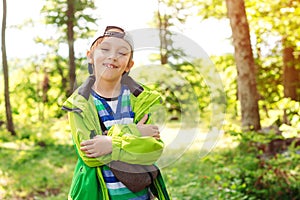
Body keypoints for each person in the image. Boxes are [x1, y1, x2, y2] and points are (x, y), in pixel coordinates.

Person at [63, 25, 170, 200]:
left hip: (141, 196)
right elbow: (89, 155)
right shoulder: (79, 104)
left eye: (122, 53)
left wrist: (110, 143)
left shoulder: (140, 99)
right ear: (90, 56)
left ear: (129, 65)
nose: (113, 56)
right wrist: (134, 133)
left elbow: (152, 150)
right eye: (105, 49)